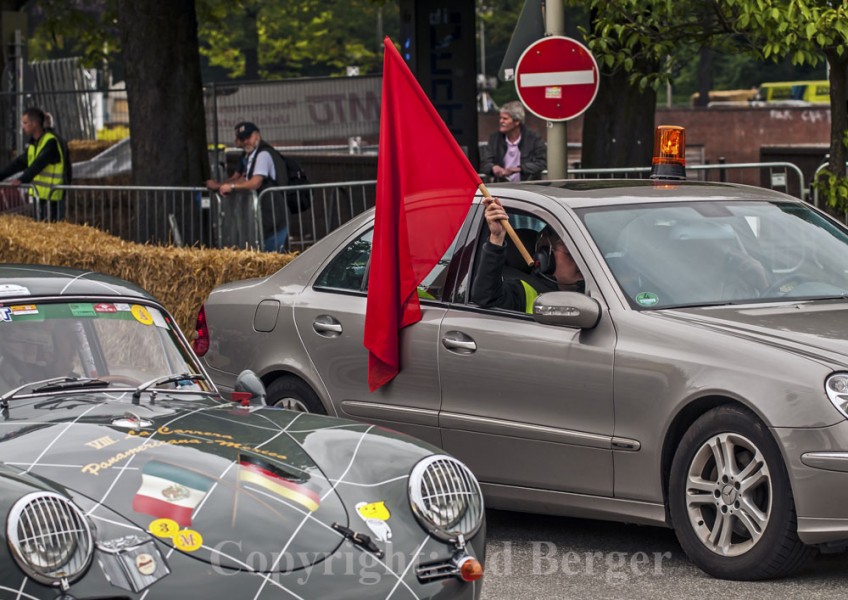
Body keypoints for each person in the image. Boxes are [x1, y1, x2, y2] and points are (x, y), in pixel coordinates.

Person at [470, 197, 584, 313]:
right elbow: (485, 297)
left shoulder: (597, 291)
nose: (583, 262)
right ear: (546, 256)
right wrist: (497, 239)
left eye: (585, 254)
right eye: (571, 254)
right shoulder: (523, 291)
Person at [219, 122, 289, 252]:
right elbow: (243, 179)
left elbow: (255, 182)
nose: (246, 142)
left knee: (274, 254)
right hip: (266, 218)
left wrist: (232, 187)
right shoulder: (251, 156)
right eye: (242, 139)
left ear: (257, 135)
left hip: (273, 217)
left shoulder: (263, 155)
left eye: (248, 137)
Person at [0, 107, 68, 221]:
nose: (23, 126)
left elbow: (38, 164)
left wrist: (22, 179)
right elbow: (18, 164)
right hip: (39, 196)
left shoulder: (51, 142)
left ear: (35, 124)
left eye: (25, 123)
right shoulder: (34, 144)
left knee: (53, 229)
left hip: (52, 197)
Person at [479, 101, 546, 182]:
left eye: (505, 119)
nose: (501, 121)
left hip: (528, 187)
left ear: (517, 121)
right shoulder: (494, 138)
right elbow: (484, 163)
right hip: (503, 187)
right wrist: (493, 167)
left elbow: (542, 162)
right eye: (500, 118)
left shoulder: (534, 138)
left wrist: (519, 169)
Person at [205, 121, 249, 193]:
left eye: (239, 137)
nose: (235, 140)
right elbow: (235, 177)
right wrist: (221, 184)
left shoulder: (259, 155)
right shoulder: (243, 155)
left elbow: (245, 179)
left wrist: (219, 185)